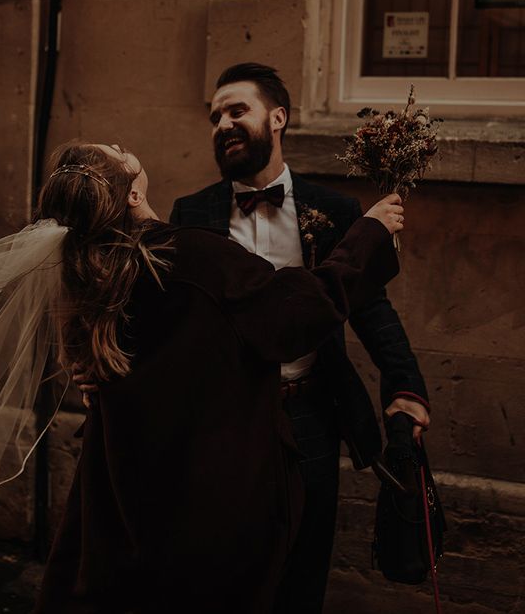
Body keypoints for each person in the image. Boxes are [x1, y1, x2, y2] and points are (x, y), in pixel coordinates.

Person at [32, 142, 403, 613]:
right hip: (202, 476)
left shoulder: (90, 270)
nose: (127, 145)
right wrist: (368, 234)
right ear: (129, 194)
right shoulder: (193, 255)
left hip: (127, 472)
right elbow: (293, 313)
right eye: (120, 151)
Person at [168, 63, 431, 613]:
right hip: (226, 418)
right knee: (228, 570)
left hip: (310, 412)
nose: (222, 123)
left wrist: (405, 389)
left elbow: (370, 307)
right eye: (215, 116)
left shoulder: (333, 211)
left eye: (237, 109)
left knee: (304, 571)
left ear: (278, 117)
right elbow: (172, 321)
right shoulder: (191, 215)